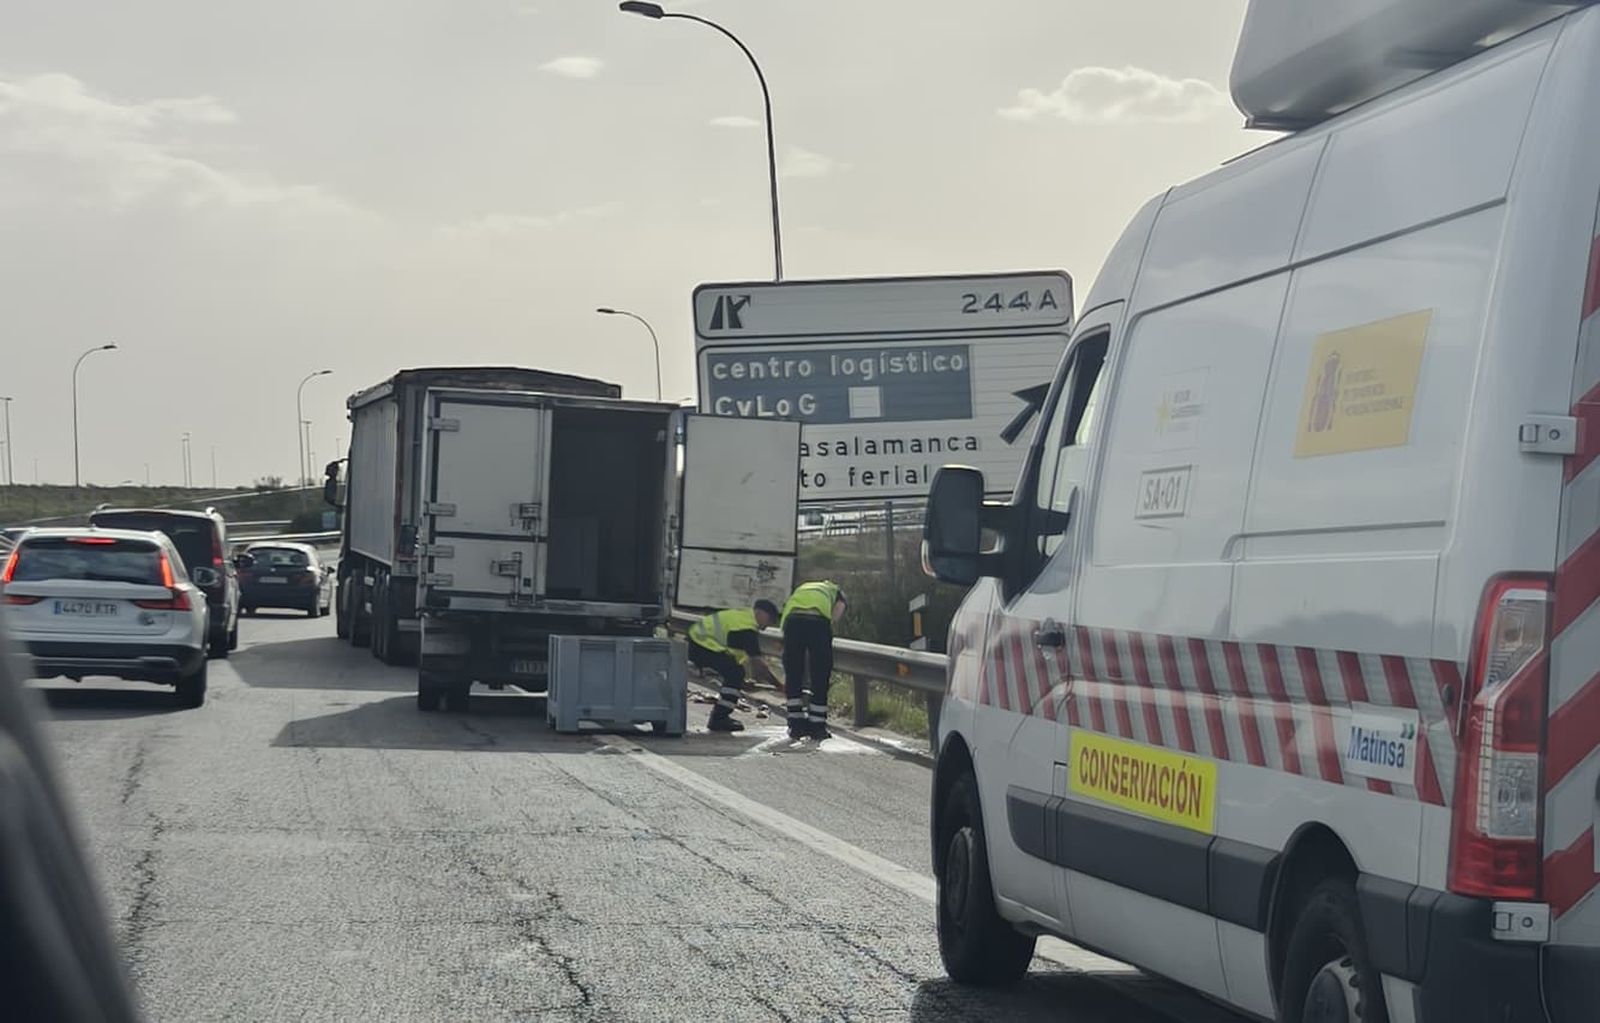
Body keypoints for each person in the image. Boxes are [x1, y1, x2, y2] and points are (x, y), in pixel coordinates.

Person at [687, 599, 779, 732]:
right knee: (735, 673)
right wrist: (779, 686)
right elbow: (759, 667)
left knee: (735, 673)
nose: (767, 626)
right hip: (702, 643)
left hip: (698, 640)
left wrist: (740, 682)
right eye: (769, 620)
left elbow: (736, 656)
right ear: (760, 613)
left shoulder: (742, 618)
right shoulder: (746, 627)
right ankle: (719, 718)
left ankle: (720, 717)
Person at [779, 580, 847, 740]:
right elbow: (834, 617)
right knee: (820, 675)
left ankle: (795, 725)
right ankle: (817, 726)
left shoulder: (803, 588)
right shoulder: (838, 593)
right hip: (817, 623)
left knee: (793, 673)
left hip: (792, 622)